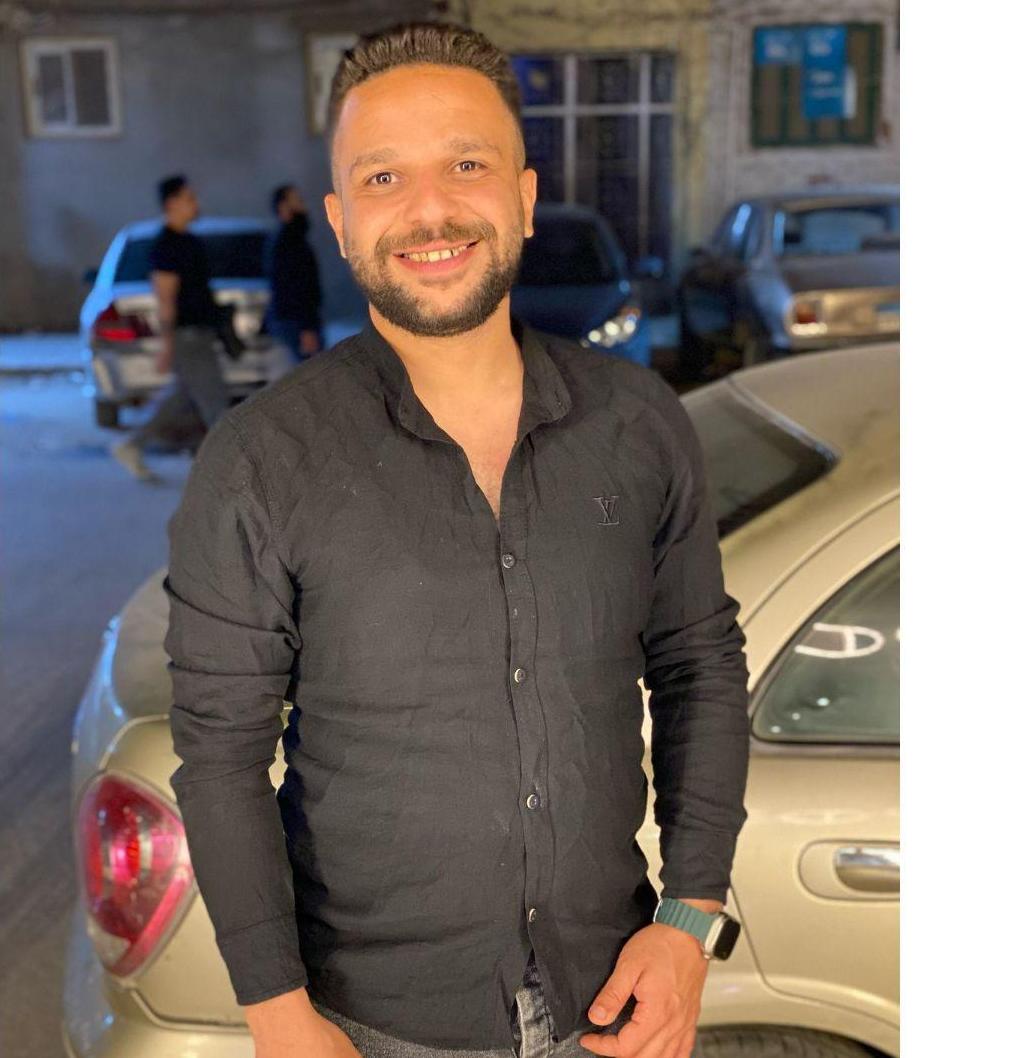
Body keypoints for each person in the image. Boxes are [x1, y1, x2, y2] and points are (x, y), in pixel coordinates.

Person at [165, 23, 749, 1058]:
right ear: (342, 221)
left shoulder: (639, 423)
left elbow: (697, 663)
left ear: (522, 196)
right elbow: (220, 753)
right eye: (384, 176)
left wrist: (689, 916)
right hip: (371, 1024)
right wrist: (277, 1011)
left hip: (613, 999)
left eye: (465, 165)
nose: (429, 210)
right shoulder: (260, 460)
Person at [111, 175, 228, 481]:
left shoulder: (189, 242)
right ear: (172, 203)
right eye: (189, 198)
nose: (195, 204)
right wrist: (167, 344)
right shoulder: (167, 246)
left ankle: (132, 443)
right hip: (188, 336)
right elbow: (165, 298)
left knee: (181, 397)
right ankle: (228, 472)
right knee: (215, 403)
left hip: (200, 331)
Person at [266, 184, 324, 364]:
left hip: (295, 323)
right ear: (283, 207)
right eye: (297, 200)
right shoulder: (289, 242)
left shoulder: (292, 239)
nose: (303, 205)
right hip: (296, 325)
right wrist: (306, 328)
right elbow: (295, 287)